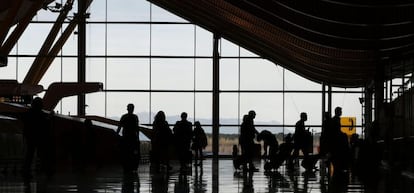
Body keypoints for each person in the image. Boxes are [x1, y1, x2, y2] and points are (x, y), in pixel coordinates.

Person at [22, 97, 53, 179]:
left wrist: (25, 135)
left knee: (29, 155)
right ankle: (47, 171)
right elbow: (45, 124)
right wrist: (50, 117)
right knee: (43, 155)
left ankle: (26, 172)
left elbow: (26, 126)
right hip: (40, 138)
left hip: (31, 137)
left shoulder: (29, 113)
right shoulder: (41, 114)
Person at [117, 103, 140, 173]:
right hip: (133, 137)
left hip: (126, 137)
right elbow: (137, 128)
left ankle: (126, 167)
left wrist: (116, 134)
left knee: (125, 153)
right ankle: (133, 167)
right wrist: (137, 138)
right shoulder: (135, 117)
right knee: (133, 153)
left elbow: (119, 127)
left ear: (127, 109)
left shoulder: (124, 117)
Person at [328, 107, 350, 175]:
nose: (341, 112)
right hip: (336, 139)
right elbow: (336, 130)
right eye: (340, 111)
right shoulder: (336, 120)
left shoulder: (334, 119)